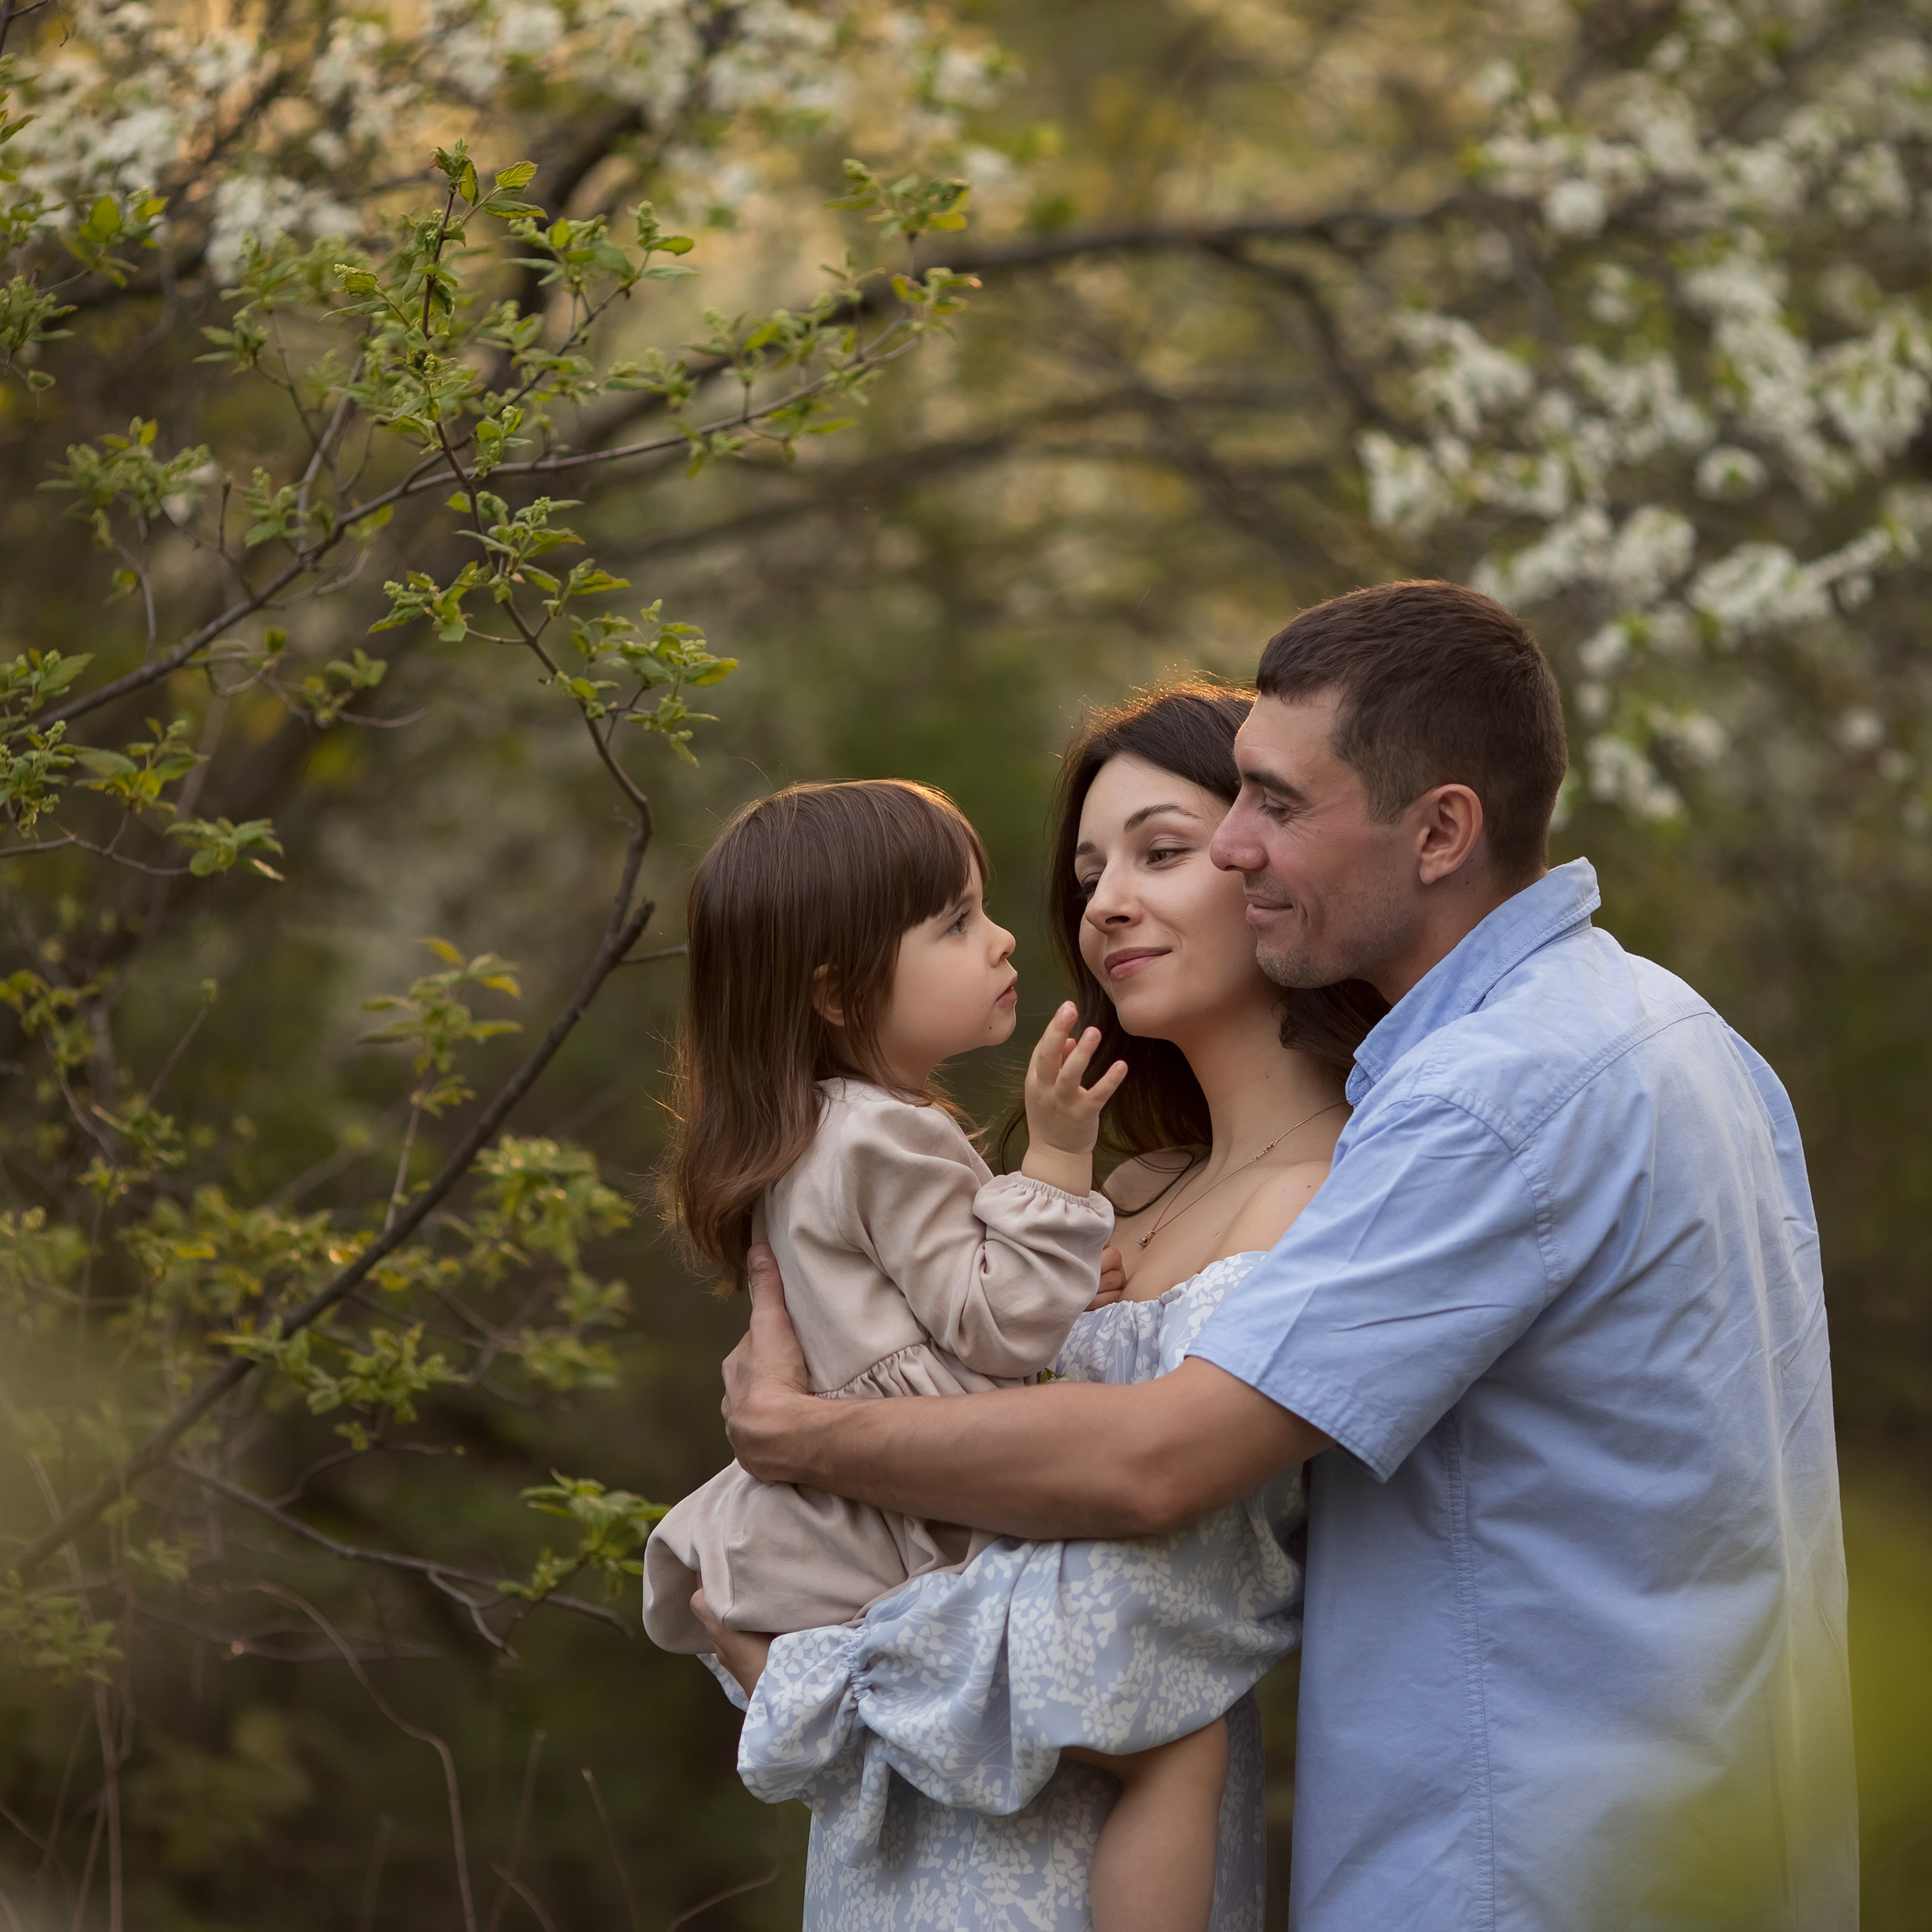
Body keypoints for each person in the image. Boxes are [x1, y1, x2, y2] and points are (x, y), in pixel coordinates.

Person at [715, 582, 1859, 1932]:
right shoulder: (1675, 1036)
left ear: (1441, 830)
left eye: (1265, 811)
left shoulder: (1477, 1110)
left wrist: (800, 1445)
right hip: (1621, 1829)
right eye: (1092, 870)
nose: (1239, 854)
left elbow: (1161, 1469)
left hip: (1523, 1858)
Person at [693, 686, 1384, 1931]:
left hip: (1088, 1851)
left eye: (1161, 852)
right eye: (1087, 870)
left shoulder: (1344, 1195)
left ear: (1268, 863)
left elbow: (1183, 1562)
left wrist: (819, 1670)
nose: (1102, 902)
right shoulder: (1107, 1192)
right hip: (910, 1825)